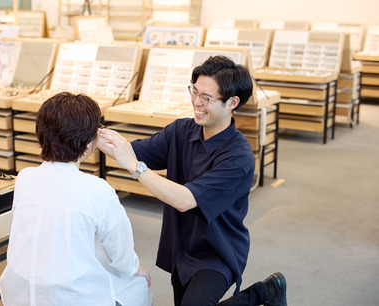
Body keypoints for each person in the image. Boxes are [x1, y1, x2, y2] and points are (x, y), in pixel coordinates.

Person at [98, 56, 287, 306]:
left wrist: (135, 167)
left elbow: (186, 200)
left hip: (217, 252)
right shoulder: (181, 131)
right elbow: (134, 151)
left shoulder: (238, 157)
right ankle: (266, 292)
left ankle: (259, 295)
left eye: (207, 98)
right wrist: (86, 132)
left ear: (233, 102)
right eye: (194, 91)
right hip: (182, 246)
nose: (197, 102)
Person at [0, 92, 153, 306]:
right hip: (75, 299)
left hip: (17, 294)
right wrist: (136, 269)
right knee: (139, 284)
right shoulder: (98, 189)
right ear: (90, 142)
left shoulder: (25, 178)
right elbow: (121, 256)